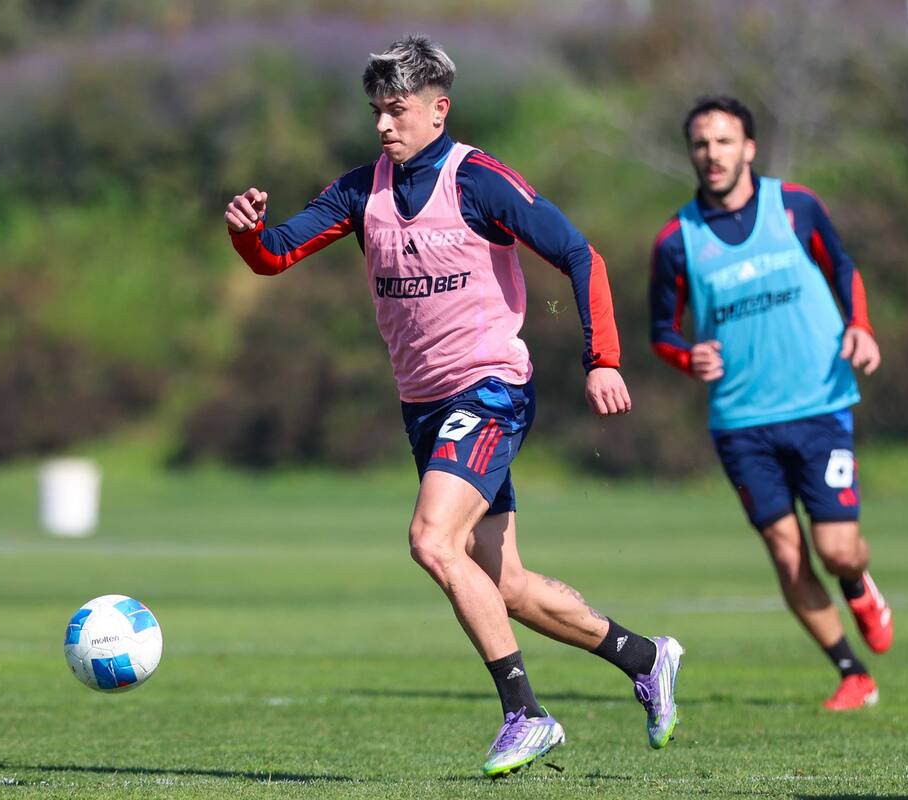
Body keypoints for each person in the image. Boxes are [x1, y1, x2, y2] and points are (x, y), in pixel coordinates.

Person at [225, 35, 682, 777]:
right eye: (376, 110)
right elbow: (277, 253)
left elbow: (580, 254)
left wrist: (603, 359)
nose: (382, 125)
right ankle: (646, 656)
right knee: (503, 584)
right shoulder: (359, 190)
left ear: (439, 110)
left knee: (432, 542)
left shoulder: (480, 181)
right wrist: (246, 233)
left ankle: (526, 714)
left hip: (491, 390)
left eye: (396, 110)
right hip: (425, 406)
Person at [649, 96, 892, 710]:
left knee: (837, 549)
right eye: (701, 144)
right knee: (787, 554)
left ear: (749, 148)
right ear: (692, 154)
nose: (712, 154)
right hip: (741, 422)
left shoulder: (795, 206)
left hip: (819, 403)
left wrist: (859, 325)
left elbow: (842, 267)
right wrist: (688, 356)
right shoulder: (678, 240)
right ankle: (851, 674)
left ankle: (858, 583)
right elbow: (662, 331)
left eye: (724, 141)